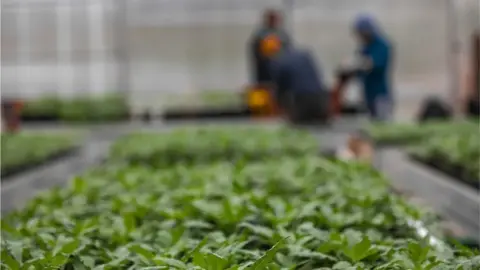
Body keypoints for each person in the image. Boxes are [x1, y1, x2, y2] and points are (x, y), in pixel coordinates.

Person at [262, 38, 330, 124]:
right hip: (322, 101)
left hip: (303, 104)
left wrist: (279, 110)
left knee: (295, 125)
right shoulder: (305, 55)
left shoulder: (277, 63)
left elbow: (280, 92)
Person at [341, 15, 394, 122]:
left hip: (380, 95)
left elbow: (375, 64)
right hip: (367, 94)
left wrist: (357, 64)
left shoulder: (382, 45)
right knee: (371, 123)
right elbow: (359, 69)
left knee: (382, 122)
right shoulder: (365, 47)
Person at [248, 9, 291, 86]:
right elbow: (255, 51)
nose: (273, 21)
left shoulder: (283, 34)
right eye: (271, 19)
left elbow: (289, 51)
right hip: (264, 69)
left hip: (280, 68)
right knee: (265, 87)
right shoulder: (260, 34)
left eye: (275, 19)